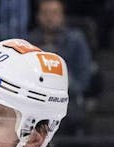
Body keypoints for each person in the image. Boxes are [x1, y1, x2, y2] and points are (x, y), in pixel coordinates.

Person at [28, 0, 94, 134]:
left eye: (54, 13)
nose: (49, 18)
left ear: (62, 16)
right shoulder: (29, 42)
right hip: (36, 99)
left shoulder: (75, 40)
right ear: (38, 17)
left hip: (68, 98)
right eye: (45, 13)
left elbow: (83, 79)